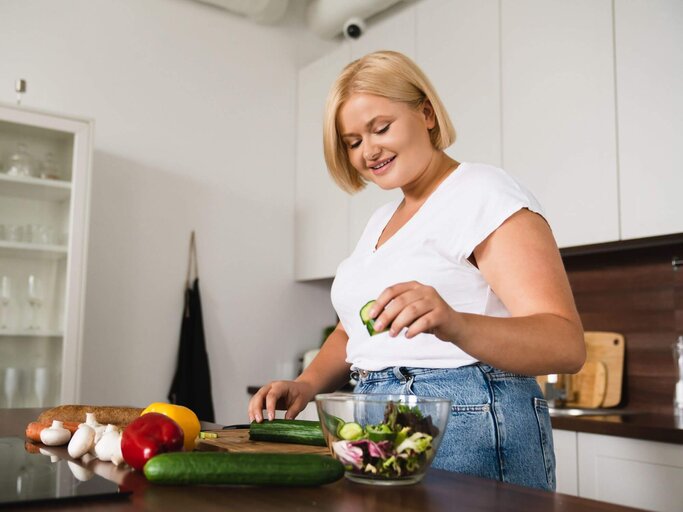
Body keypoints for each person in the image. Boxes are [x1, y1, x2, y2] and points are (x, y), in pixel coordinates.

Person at [248, 50, 585, 491]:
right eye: (352, 142)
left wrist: (455, 322)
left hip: (469, 419)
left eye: (380, 128)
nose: (369, 150)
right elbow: (356, 330)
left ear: (425, 113)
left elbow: (565, 343)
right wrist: (306, 384)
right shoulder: (381, 221)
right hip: (378, 419)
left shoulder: (483, 192)